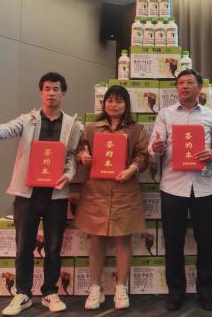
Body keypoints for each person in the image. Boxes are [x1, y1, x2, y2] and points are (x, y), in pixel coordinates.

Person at [0, 72, 81, 316]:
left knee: (53, 247)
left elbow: (72, 155)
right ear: (41, 92)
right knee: (24, 247)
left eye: (56, 89)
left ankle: (50, 292)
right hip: (27, 193)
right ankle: (23, 293)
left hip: (56, 195)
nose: (51, 93)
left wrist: (69, 175)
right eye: (47, 89)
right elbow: (5, 130)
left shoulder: (72, 124)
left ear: (63, 93)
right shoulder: (28, 120)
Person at [148, 69, 212, 312]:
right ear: (176, 88)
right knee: (173, 242)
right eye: (180, 83)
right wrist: (157, 147)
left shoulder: (210, 115)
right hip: (173, 187)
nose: (184, 86)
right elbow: (153, 147)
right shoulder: (165, 114)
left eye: (189, 83)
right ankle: (176, 292)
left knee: (206, 242)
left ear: (199, 88)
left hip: (204, 187)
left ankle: (205, 291)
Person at [75, 85, 149, 310]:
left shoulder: (136, 130)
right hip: (96, 193)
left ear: (126, 104)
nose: (113, 104)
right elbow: (79, 151)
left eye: (118, 101)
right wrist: (83, 156)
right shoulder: (91, 128)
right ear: (104, 103)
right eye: (109, 100)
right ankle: (94, 288)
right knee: (96, 240)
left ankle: (121, 287)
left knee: (122, 240)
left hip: (124, 192)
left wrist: (131, 169)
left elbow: (143, 156)